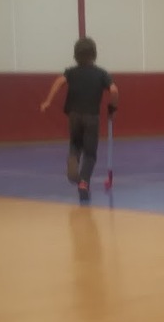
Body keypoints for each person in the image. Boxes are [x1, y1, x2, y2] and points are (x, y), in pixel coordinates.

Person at [40, 37, 118, 203]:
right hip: (92, 116)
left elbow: (59, 82)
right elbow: (114, 90)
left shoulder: (71, 72)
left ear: (76, 55)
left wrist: (48, 101)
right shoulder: (101, 73)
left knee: (75, 143)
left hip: (74, 115)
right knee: (90, 153)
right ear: (94, 54)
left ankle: (73, 158)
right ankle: (83, 182)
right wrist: (112, 107)